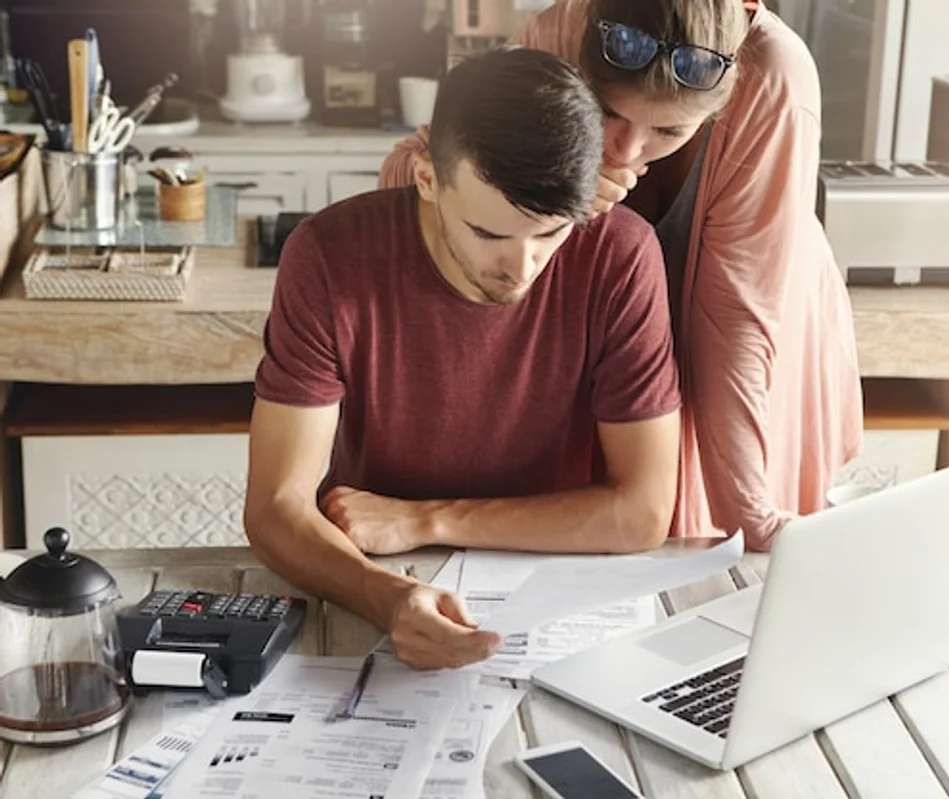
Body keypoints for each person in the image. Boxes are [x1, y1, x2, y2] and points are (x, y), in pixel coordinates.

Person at [245, 47, 682, 670]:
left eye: (551, 233)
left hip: (557, 594)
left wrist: (425, 520)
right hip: (376, 576)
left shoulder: (622, 256)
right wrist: (389, 599)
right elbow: (274, 507)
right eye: (489, 234)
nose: (522, 268)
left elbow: (641, 514)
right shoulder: (327, 256)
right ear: (427, 177)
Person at [380, 0, 865, 552]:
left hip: (754, 346)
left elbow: (735, 318)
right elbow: (412, 171)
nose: (630, 149)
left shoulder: (773, 75)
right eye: (607, 111)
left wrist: (751, 510)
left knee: (733, 561)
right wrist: (553, 177)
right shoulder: (562, 31)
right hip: (620, 361)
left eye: (670, 128)